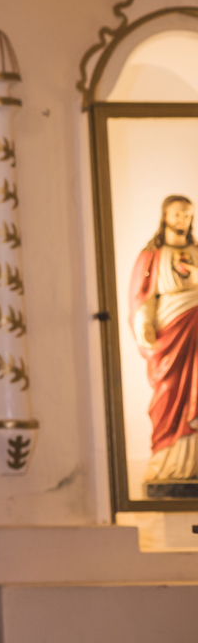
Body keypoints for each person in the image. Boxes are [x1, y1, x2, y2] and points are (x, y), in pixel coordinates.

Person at [130, 194, 198, 486]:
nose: (183, 220)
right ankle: (164, 462)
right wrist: (144, 324)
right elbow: (142, 295)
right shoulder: (152, 256)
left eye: (188, 215)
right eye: (178, 214)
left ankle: (192, 463)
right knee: (168, 390)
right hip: (170, 332)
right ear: (165, 217)